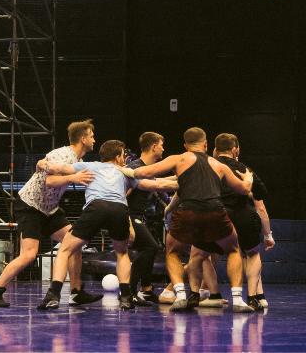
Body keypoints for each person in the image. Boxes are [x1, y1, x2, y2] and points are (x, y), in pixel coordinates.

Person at [122, 127, 255, 313]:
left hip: (188, 211)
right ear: (206, 144)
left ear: (185, 145)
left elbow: (144, 172)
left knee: (172, 251)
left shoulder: (179, 158)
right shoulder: (219, 165)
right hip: (214, 211)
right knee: (233, 249)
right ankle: (238, 299)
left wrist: (124, 171)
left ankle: (181, 295)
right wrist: (248, 178)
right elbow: (243, 189)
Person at [36, 140, 178, 311]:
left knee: (65, 250)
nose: (125, 159)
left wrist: (41, 163)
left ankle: (53, 295)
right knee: (122, 253)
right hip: (119, 209)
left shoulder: (90, 166)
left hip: (96, 207)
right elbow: (156, 185)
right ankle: (125, 297)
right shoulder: (126, 173)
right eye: (123, 155)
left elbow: (56, 169)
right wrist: (184, 181)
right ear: (118, 157)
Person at [0, 119, 100, 308]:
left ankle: (76, 292)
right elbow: (50, 181)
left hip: (50, 209)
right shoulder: (61, 154)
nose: (95, 140)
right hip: (30, 206)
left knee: (75, 243)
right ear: (83, 138)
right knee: (29, 255)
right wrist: (74, 178)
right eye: (92, 136)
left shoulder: (79, 161)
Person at [210, 133, 274, 310]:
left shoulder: (208, 166)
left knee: (202, 254)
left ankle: (207, 293)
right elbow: (262, 194)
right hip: (242, 215)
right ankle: (253, 297)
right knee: (252, 254)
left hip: (216, 215)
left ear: (215, 149)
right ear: (235, 149)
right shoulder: (244, 168)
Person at [126, 132, 169, 305]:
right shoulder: (135, 168)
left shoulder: (149, 169)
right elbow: (122, 194)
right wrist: (126, 221)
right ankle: (130, 291)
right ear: (153, 147)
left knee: (152, 247)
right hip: (129, 216)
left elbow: (160, 191)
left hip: (140, 216)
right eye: (161, 145)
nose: (163, 148)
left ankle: (147, 289)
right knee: (150, 247)